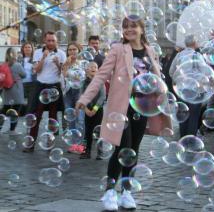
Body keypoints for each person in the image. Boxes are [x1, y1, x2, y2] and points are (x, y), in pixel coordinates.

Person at [76, 15, 171, 211]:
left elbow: (157, 79)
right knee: (122, 148)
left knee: (133, 149)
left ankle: (126, 192)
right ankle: (110, 191)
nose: (129, 30)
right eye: (126, 27)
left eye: (133, 26)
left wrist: (163, 101)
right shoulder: (118, 49)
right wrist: (86, 98)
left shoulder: (150, 50)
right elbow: (101, 75)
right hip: (121, 107)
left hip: (142, 106)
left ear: (142, 29)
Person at [24, 31, 67, 153]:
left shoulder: (61, 54)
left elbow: (63, 73)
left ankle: (50, 143)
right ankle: (30, 144)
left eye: (53, 40)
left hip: (54, 87)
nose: (51, 43)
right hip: (40, 85)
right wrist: (43, 57)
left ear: (56, 41)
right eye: (49, 40)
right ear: (45, 41)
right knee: (36, 115)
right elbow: (36, 70)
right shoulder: (38, 52)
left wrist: (58, 64)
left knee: (53, 116)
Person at [169, 35, 203, 138]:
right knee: (193, 116)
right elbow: (204, 73)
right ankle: (191, 139)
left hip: (181, 90)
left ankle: (183, 138)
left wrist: (178, 80)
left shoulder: (179, 55)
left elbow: (171, 72)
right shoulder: (197, 55)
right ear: (195, 44)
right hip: (195, 90)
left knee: (183, 114)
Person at [79, 62, 106, 160]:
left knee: (98, 131)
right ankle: (86, 152)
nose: (93, 68)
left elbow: (102, 96)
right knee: (88, 131)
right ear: (87, 70)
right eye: (91, 67)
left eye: (95, 67)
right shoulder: (83, 83)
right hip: (87, 109)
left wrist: (95, 109)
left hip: (97, 109)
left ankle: (100, 152)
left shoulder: (100, 81)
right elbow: (81, 96)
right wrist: (85, 109)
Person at [62, 42, 84, 154]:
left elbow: (81, 77)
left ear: (78, 51)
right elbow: (64, 75)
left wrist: (71, 74)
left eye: (74, 49)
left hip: (79, 92)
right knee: (70, 118)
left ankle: (80, 144)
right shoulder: (66, 63)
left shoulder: (83, 63)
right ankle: (73, 143)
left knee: (79, 118)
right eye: (70, 50)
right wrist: (66, 65)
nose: (72, 52)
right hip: (68, 92)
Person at [0, 48, 26, 134]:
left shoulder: (3, 65)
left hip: (6, 91)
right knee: (15, 110)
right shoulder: (17, 65)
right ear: (14, 55)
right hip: (16, 90)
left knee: (4, 110)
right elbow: (24, 75)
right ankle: (12, 130)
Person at [20, 42, 36, 116]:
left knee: (31, 101)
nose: (27, 49)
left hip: (32, 83)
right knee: (21, 100)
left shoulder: (35, 59)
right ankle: (22, 113)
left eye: (29, 47)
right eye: (25, 47)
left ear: (32, 49)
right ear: (23, 49)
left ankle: (30, 115)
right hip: (21, 83)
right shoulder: (19, 59)